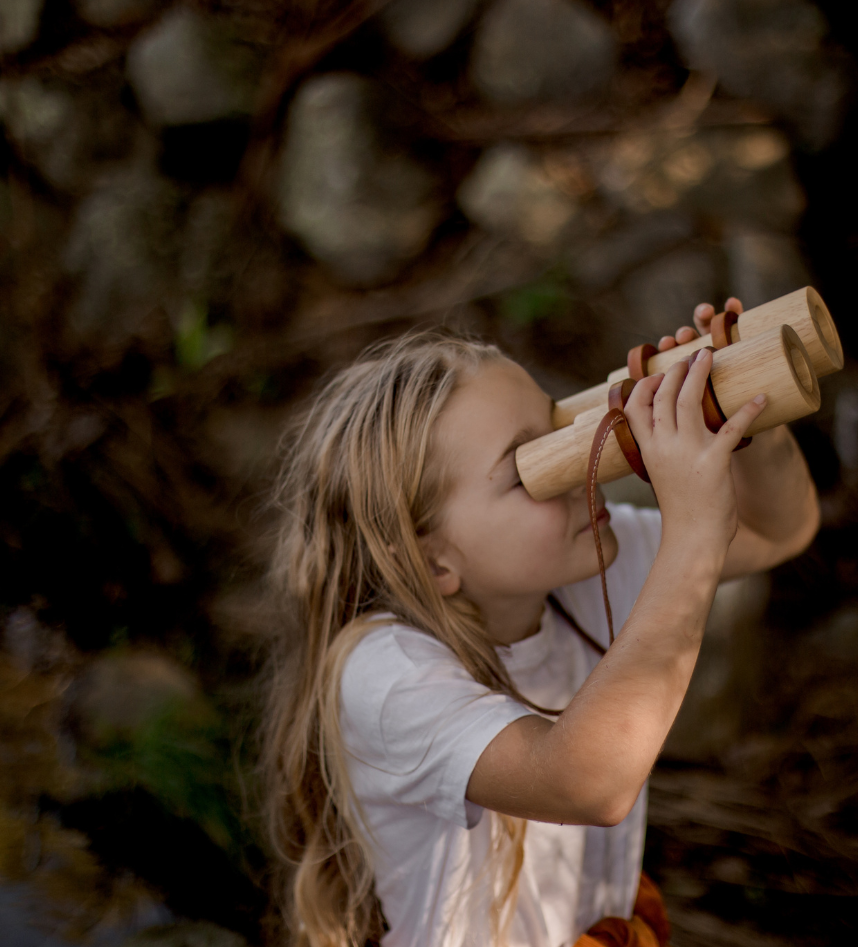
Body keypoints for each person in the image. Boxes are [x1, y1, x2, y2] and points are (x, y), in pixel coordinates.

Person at [261, 300, 820, 947]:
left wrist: (744, 407)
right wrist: (692, 533)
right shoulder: (384, 673)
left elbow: (778, 531)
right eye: (534, 468)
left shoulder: (566, 571)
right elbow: (586, 781)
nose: (587, 469)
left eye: (567, 434)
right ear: (432, 560)